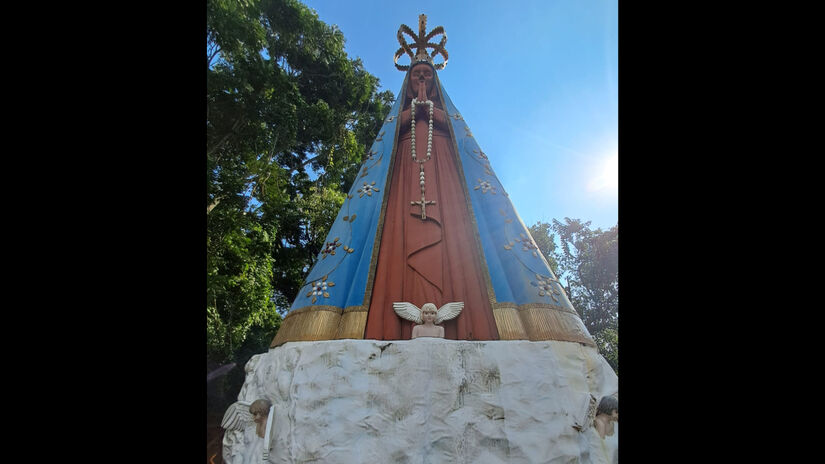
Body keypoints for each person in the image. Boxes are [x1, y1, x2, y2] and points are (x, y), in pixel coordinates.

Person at [364, 59, 499, 341]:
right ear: (408, 81)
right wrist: (412, 114)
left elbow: (461, 136)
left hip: (445, 171)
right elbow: (385, 142)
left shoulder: (445, 114)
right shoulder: (400, 116)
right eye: (417, 75)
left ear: (436, 82)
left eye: (427, 74)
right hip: (403, 173)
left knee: (457, 231)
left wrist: (432, 113)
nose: (422, 79)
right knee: (397, 232)